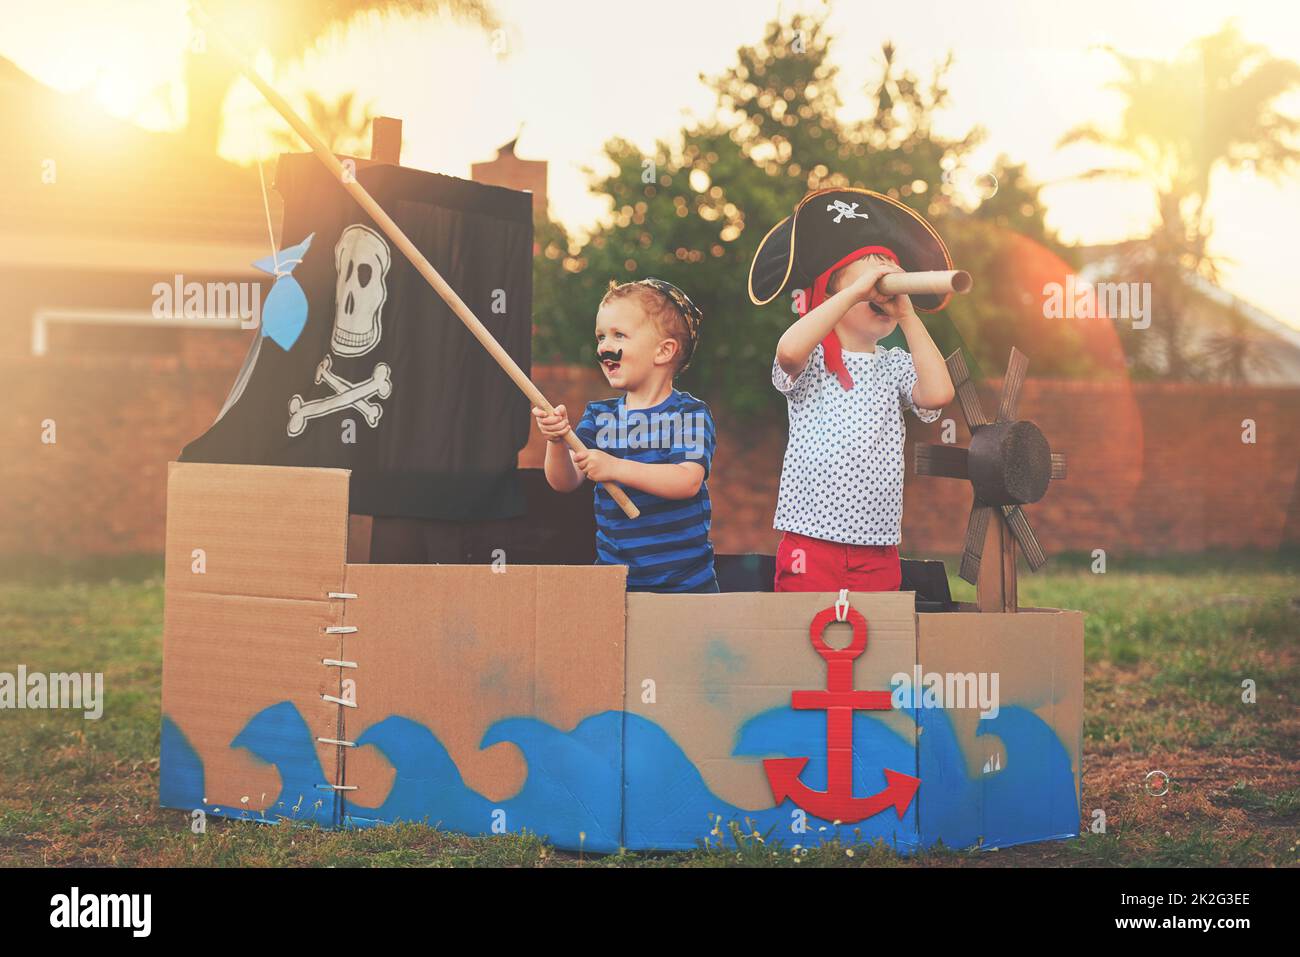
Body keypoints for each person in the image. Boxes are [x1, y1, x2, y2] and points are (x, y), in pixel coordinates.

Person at [748, 188, 957, 592]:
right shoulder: (813, 359)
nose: (881, 290)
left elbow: (937, 395)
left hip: (877, 547)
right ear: (832, 293)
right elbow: (788, 351)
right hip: (810, 538)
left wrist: (909, 314)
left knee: (875, 646)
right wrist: (854, 293)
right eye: (868, 281)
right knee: (803, 639)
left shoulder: (893, 364)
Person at [534, 278, 718, 593]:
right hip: (615, 585)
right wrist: (556, 441)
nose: (604, 346)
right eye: (600, 336)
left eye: (619, 335)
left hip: (685, 587)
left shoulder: (689, 414)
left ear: (664, 351)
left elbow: (687, 481)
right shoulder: (599, 416)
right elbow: (564, 482)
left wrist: (616, 468)